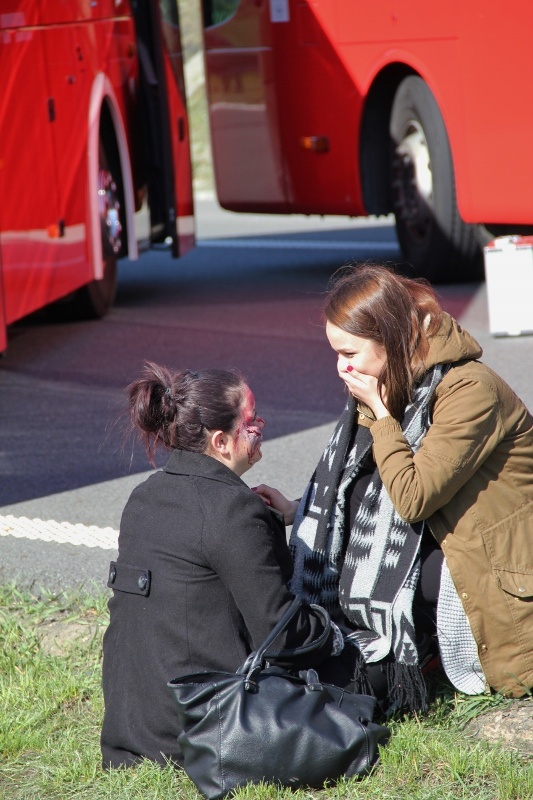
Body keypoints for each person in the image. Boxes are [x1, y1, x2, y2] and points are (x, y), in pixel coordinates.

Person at [255, 264, 533, 714]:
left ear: (388, 338)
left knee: (365, 570)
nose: (341, 366)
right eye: (335, 353)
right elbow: (360, 485)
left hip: (497, 570)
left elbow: (410, 497)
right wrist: (299, 512)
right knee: (341, 553)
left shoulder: (470, 391)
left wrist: (382, 417)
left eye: (349, 352)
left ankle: (406, 652)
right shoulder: (403, 379)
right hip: (448, 538)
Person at [100, 363, 338, 768]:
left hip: (133, 726)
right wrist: (332, 631)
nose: (261, 424)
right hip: (199, 732)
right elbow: (282, 635)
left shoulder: (145, 495)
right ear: (221, 441)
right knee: (370, 672)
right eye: (251, 419)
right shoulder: (233, 510)